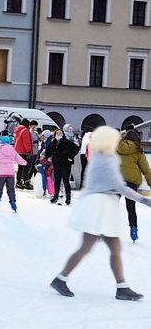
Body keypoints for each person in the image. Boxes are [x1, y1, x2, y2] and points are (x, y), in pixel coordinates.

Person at [50, 126, 151, 301]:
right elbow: (119, 186)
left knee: (110, 247)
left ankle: (121, 286)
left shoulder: (96, 157)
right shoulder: (109, 159)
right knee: (91, 247)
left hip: (96, 205)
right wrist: (143, 200)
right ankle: (62, 278)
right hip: (101, 206)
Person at [117, 129, 151, 243]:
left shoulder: (116, 147)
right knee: (131, 207)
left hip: (117, 179)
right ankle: (133, 229)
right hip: (131, 181)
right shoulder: (138, 151)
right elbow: (146, 170)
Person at [46, 129, 79, 205]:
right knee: (57, 180)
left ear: (63, 134)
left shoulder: (66, 142)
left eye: (60, 133)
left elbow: (76, 148)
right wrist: (48, 157)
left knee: (65, 180)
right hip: (56, 164)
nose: (58, 134)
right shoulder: (52, 142)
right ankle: (55, 196)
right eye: (57, 133)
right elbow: (47, 149)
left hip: (65, 164)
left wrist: (70, 156)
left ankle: (68, 197)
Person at [13, 119, 34, 190]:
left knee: (20, 167)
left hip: (18, 151)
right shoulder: (25, 130)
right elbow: (26, 141)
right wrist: (29, 151)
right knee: (26, 167)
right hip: (24, 151)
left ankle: (19, 182)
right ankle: (25, 182)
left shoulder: (17, 130)